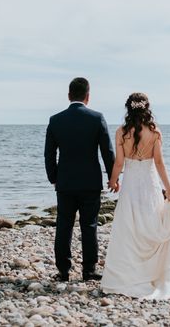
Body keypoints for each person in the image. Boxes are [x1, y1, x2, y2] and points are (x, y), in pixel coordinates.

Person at [101, 92, 170, 299]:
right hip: (150, 184)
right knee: (151, 222)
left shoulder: (121, 132)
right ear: (147, 108)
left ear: (128, 108)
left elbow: (119, 163)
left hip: (131, 186)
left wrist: (113, 181)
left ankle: (128, 274)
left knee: (129, 226)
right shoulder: (154, 132)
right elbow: (160, 163)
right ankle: (155, 273)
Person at [44, 77, 116, 282]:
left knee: (64, 225)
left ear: (69, 96)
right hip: (90, 182)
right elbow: (107, 152)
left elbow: (49, 154)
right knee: (89, 225)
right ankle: (89, 270)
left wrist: (54, 178)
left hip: (65, 182)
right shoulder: (96, 118)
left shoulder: (55, 120)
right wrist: (113, 177)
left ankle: (63, 271)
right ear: (88, 96)